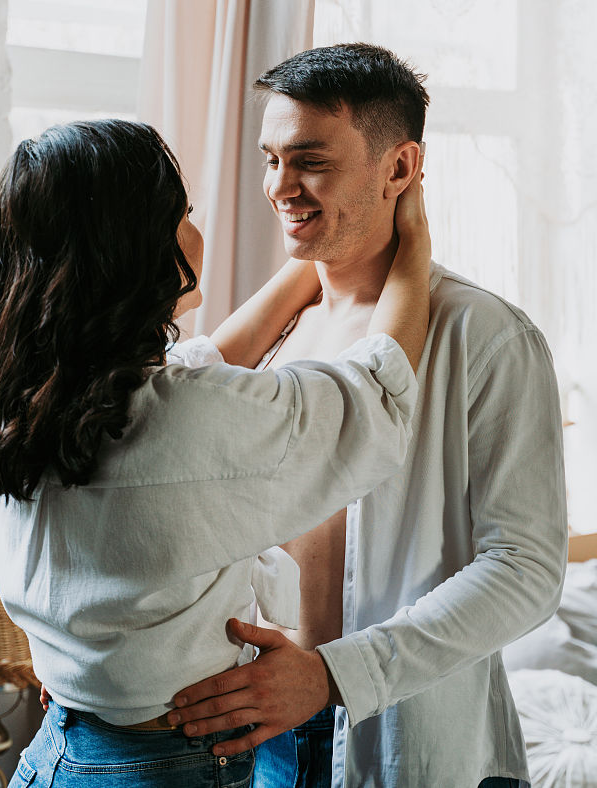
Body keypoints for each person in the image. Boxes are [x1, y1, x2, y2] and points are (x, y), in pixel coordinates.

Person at [0, 118, 430, 787]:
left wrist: (316, 255)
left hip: (61, 749)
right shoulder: (190, 417)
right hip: (164, 766)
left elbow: (203, 362)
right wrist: (413, 242)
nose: (195, 230)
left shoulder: (37, 395)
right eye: (183, 214)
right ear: (137, 249)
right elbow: (377, 394)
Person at [167, 45, 568, 788]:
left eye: (310, 161)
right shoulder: (272, 333)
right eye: (270, 160)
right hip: (256, 732)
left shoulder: (485, 336)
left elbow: (528, 569)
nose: (279, 187)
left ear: (398, 169)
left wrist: (332, 674)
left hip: (407, 734)